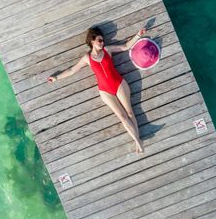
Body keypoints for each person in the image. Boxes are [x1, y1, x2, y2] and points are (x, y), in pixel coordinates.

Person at [47, 26, 147, 155]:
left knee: (130, 113)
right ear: (92, 41)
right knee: (122, 116)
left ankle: (137, 142)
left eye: (102, 40)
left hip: (118, 84)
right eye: (99, 40)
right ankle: (138, 141)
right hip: (105, 91)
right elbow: (72, 70)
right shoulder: (87, 58)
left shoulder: (107, 50)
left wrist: (138, 35)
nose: (102, 42)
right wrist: (56, 77)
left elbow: (126, 46)